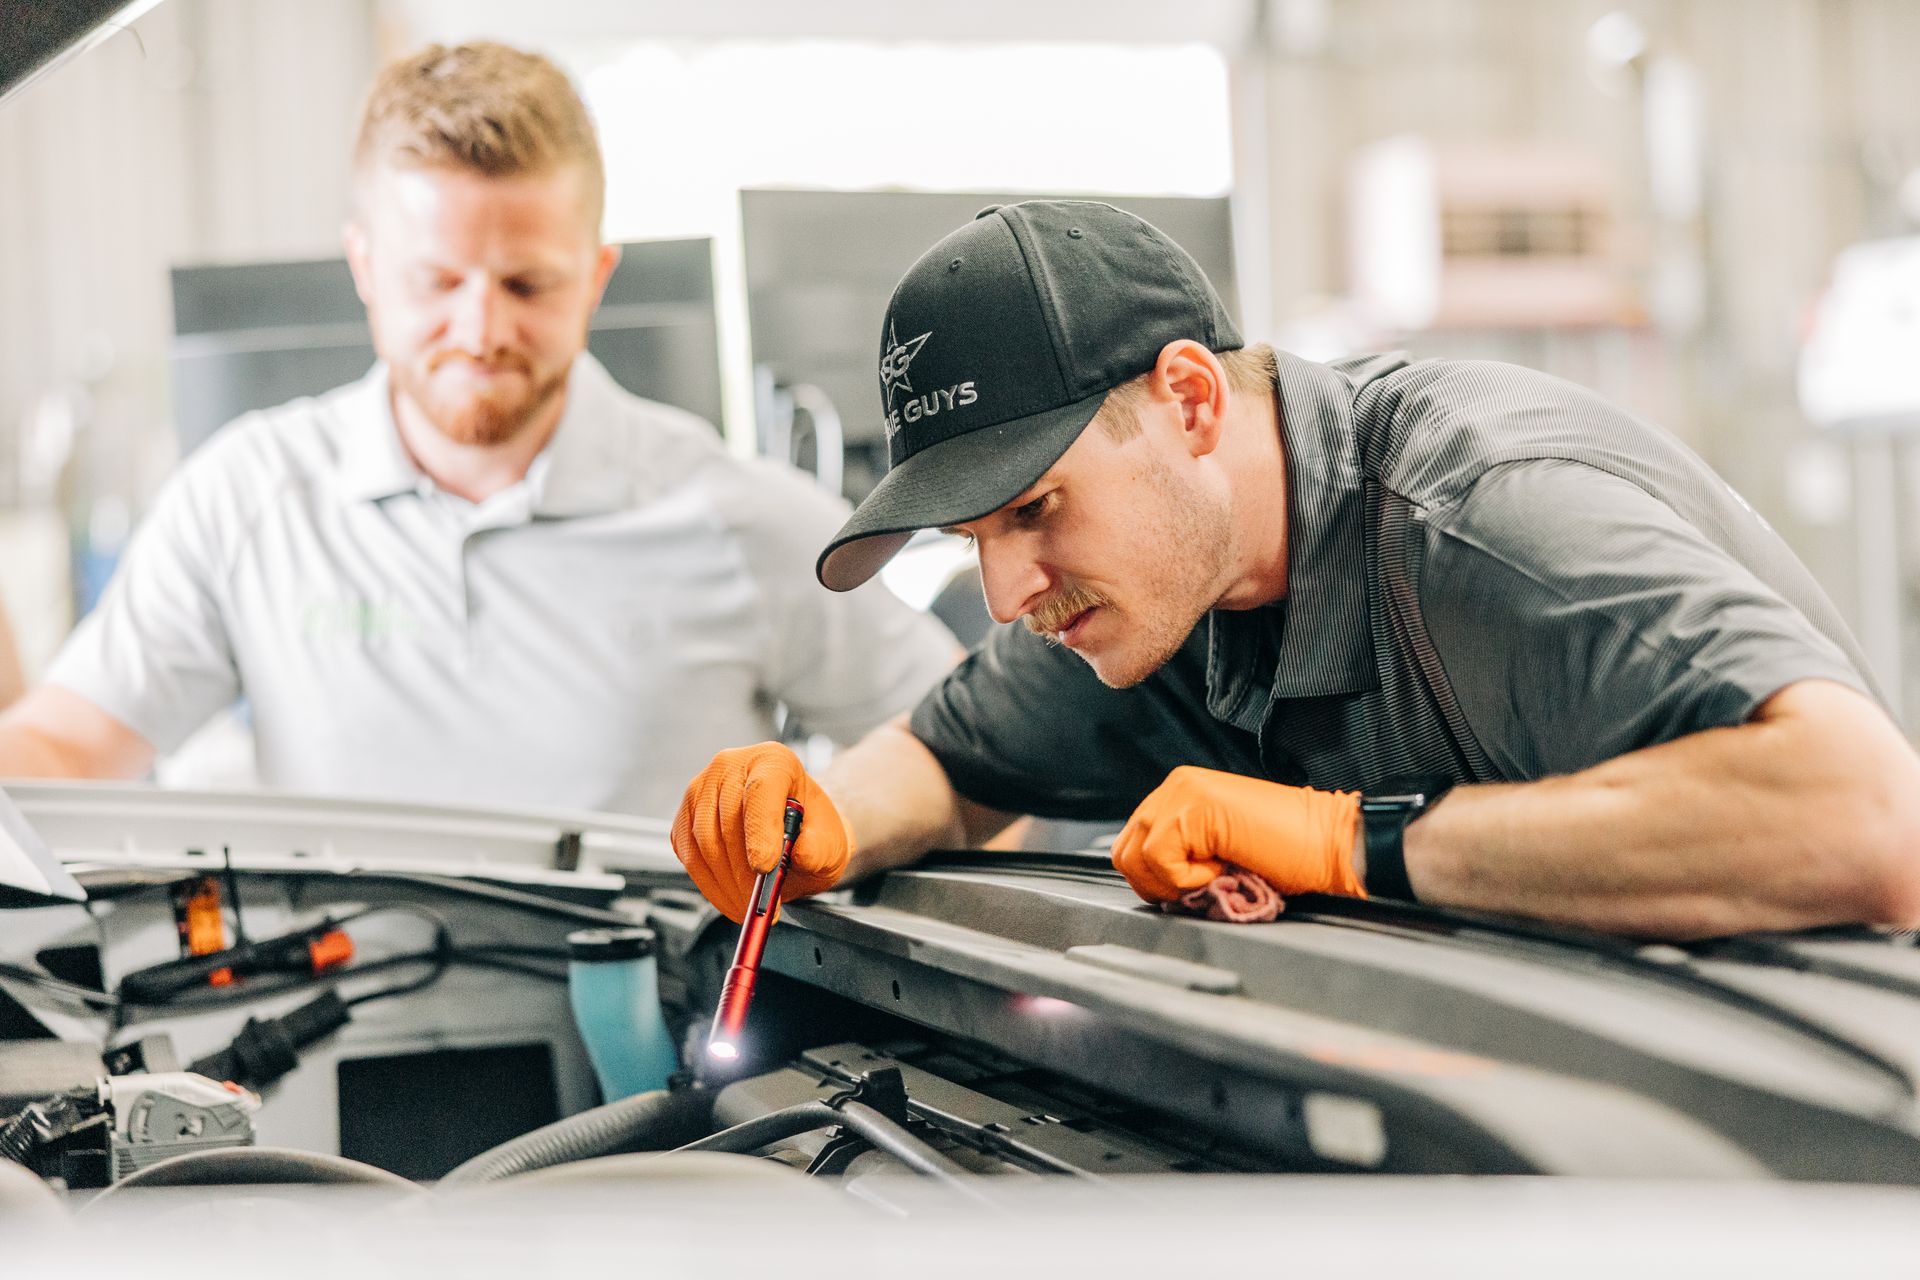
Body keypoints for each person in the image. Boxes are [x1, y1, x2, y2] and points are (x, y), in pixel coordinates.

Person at [673, 198, 1920, 939]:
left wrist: (1345, 841)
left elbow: (1868, 817)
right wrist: (815, 818)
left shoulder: (1479, 520)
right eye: (975, 540)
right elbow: (950, 763)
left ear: (1191, 399)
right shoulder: (1167, 593)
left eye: (1035, 508)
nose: (1007, 593)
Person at [0, 43, 955, 819]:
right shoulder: (246, 496)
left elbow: (980, 748)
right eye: (437, 282)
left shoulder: (744, 517)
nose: (481, 330)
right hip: (318, 1041)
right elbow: (68, 745)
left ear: (596, 276)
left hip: (652, 1048)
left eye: (527, 284)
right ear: (365, 267)